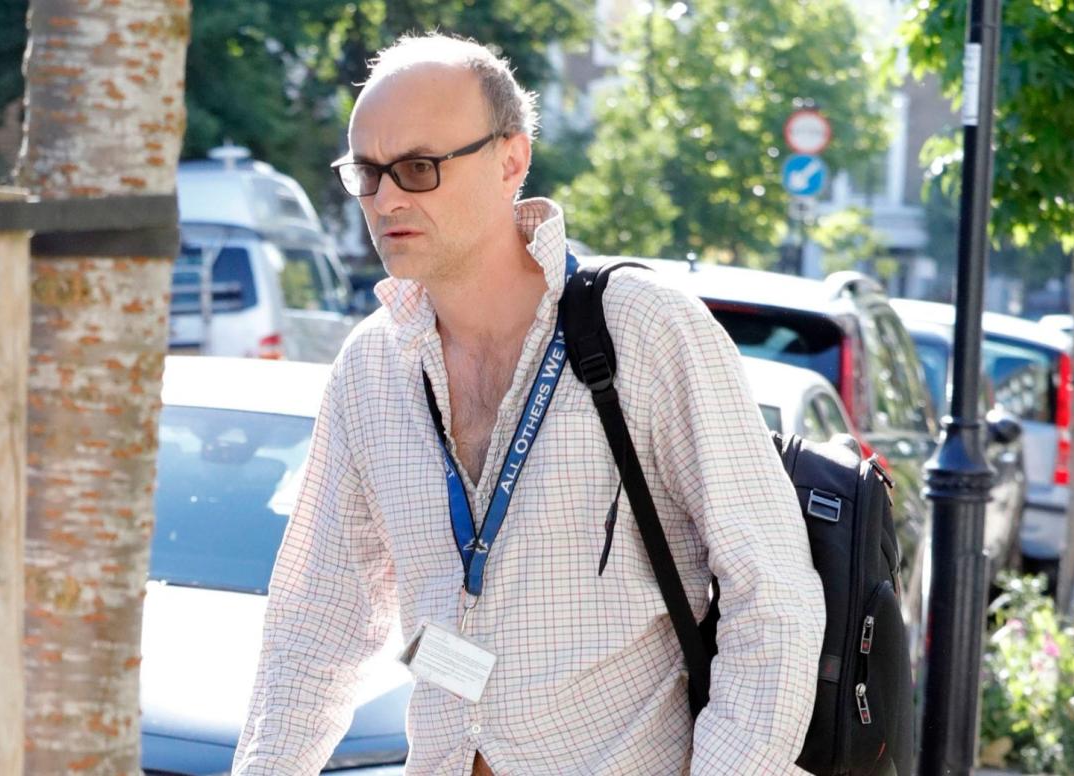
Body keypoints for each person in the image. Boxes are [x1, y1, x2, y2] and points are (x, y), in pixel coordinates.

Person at [232, 32, 825, 776]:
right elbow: (317, 627)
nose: (385, 199)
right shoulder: (370, 370)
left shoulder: (645, 330)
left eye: (418, 168)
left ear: (511, 160)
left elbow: (773, 599)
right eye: (368, 172)